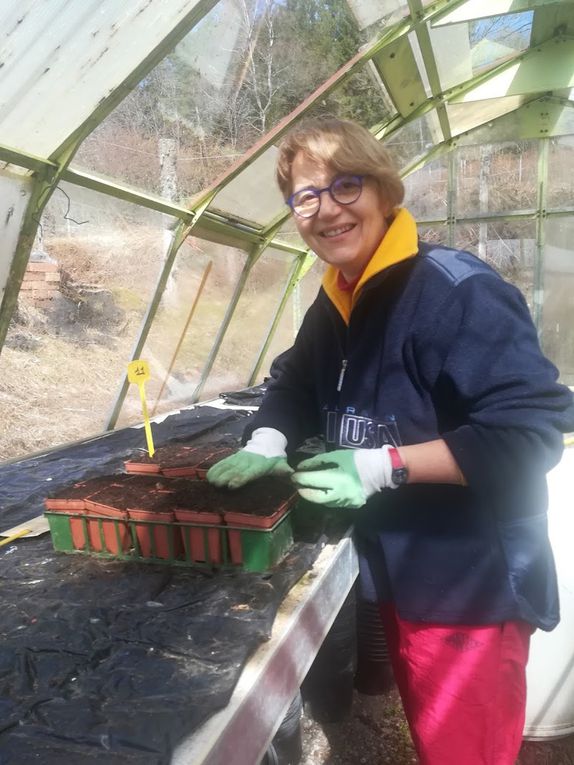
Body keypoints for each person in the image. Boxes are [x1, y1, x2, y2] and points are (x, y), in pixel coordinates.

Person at [207, 117, 574, 765]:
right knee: (436, 740)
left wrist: (382, 466)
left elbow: (529, 431)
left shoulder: (456, 293)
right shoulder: (341, 296)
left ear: (383, 191)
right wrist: (266, 439)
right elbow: (294, 379)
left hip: (469, 587)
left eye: (346, 185)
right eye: (305, 195)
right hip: (404, 572)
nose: (326, 209)